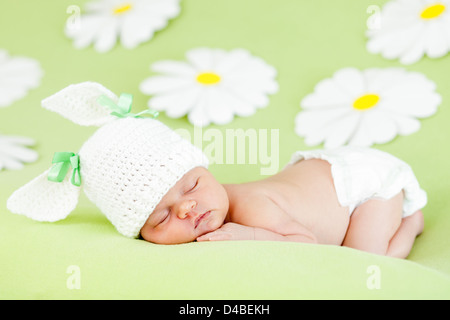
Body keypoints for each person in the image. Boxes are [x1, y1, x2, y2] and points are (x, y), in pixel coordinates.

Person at [8, 82, 426, 259]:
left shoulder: (253, 210)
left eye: (191, 185)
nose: (187, 209)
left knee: (363, 260)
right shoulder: (203, 215)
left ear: (205, 170)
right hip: (316, 179)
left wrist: (250, 236)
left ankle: (409, 222)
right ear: (140, 234)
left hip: (361, 186)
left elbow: (307, 242)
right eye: (161, 217)